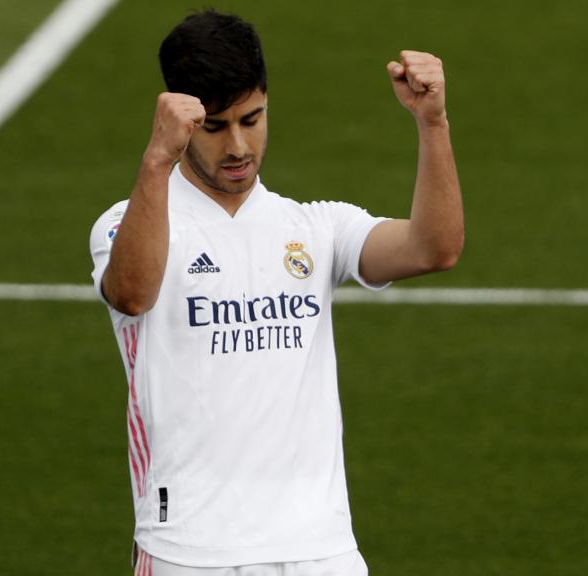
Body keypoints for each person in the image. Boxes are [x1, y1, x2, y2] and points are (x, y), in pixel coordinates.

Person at [89, 10, 463, 576]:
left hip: (323, 548)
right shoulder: (127, 223)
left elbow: (433, 248)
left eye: (253, 118)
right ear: (180, 119)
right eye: (214, 127)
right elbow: (133, 294)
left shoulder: (315, 227)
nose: (238, 145)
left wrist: (432, 125)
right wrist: (157, 160)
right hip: (191, 551)